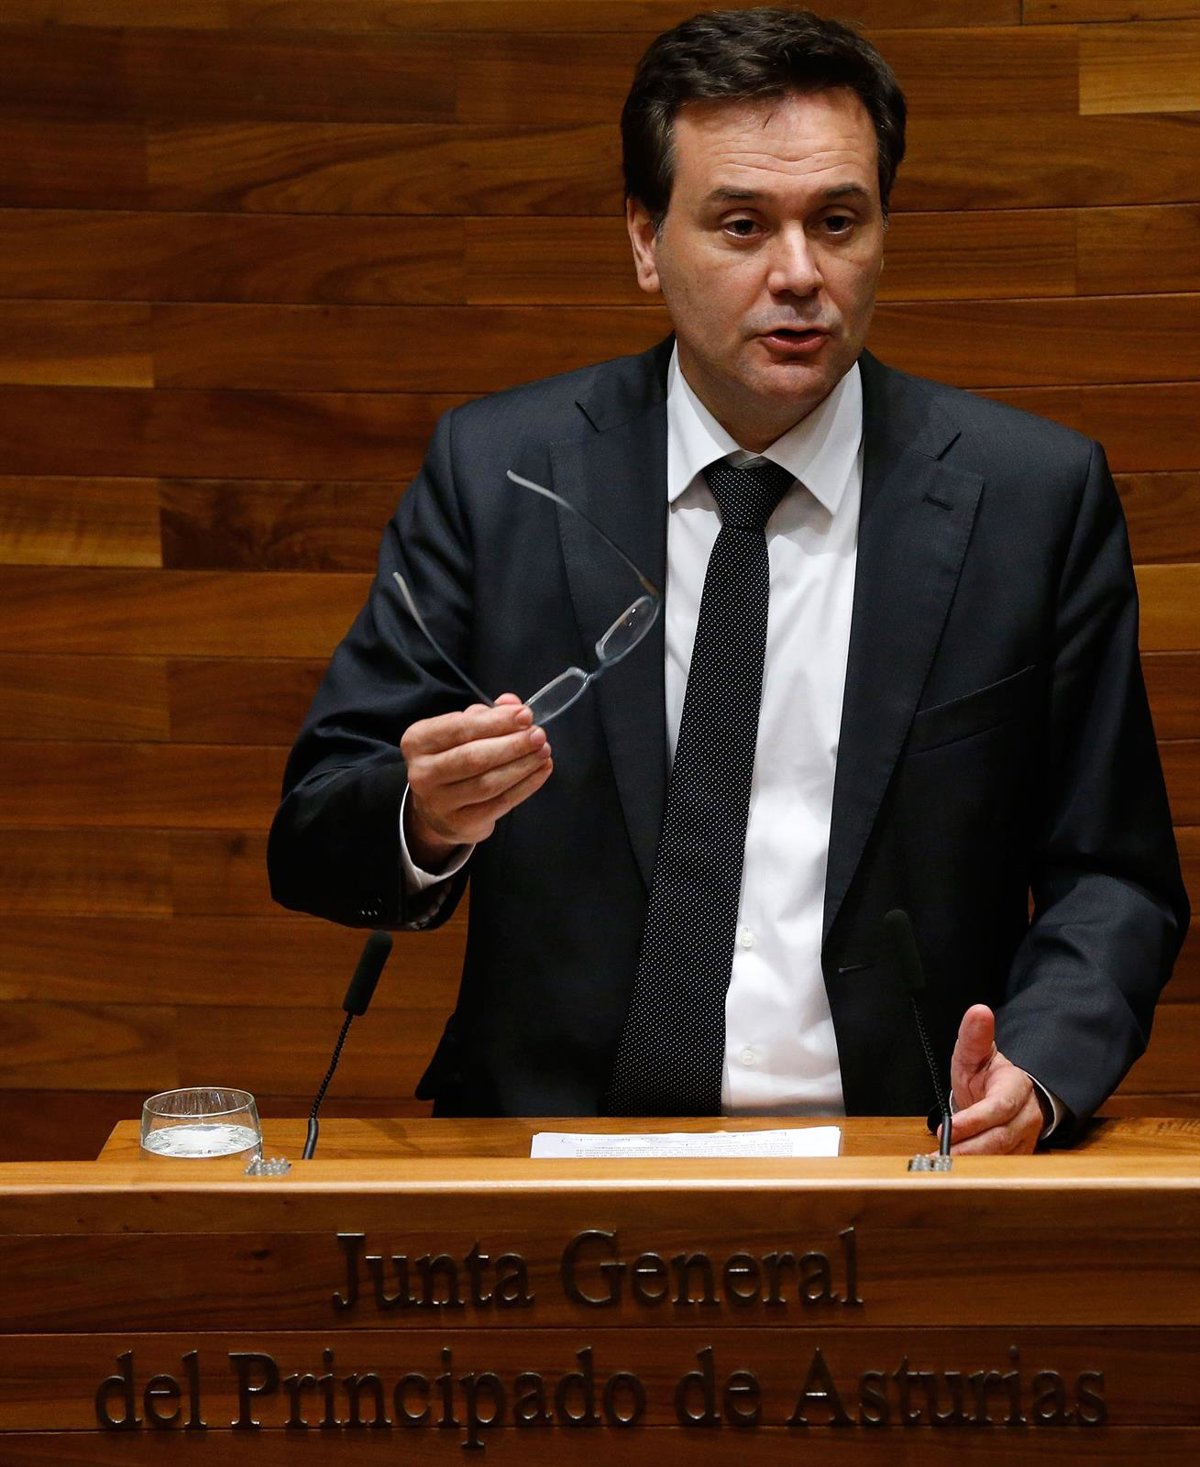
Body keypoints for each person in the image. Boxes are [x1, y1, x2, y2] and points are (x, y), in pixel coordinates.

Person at [268, 9, 1188, 1150]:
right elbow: (316, 829)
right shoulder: (497, 473)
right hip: (555, 1161)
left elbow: (1115, 876)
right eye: (743, 225)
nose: (798, 274)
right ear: (646, 239)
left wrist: (1039, 1068)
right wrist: (424, 816)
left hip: (906, 1152)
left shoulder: (1031, 499)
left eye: (837, 222)